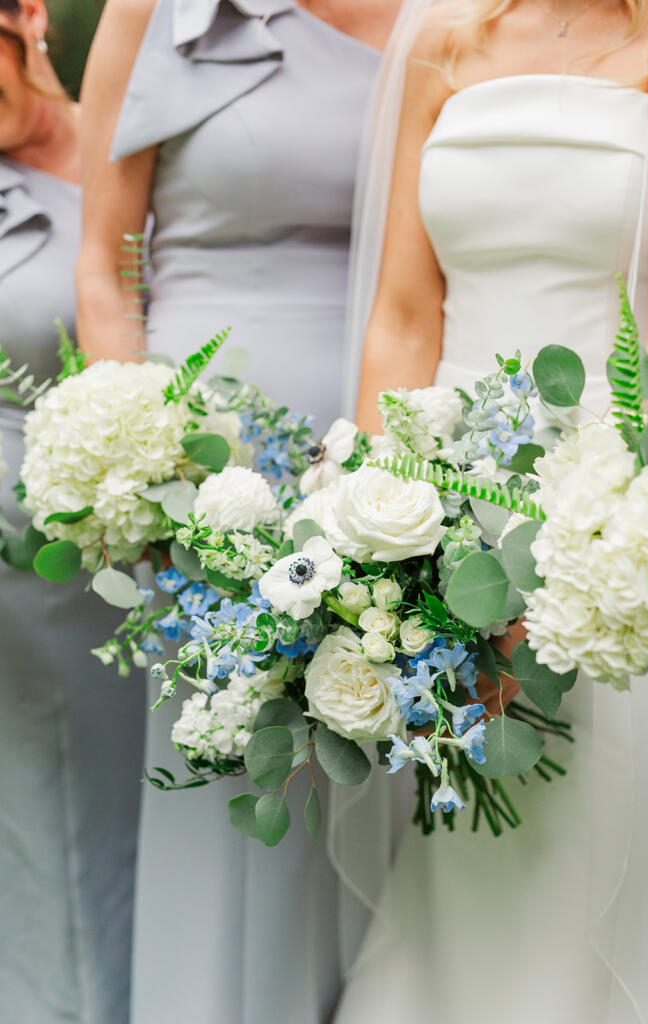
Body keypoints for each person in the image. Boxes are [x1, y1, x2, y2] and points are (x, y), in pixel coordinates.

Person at [335, 0, 648, 1021]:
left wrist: (582, 529)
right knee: (478, 841)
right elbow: (401, 319)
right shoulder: (438, 44)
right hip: (444, 514)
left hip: (615, 508)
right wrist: (374, 534)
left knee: (607, 827)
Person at [76, 2, 404, 1021]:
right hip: (205, 488)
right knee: (226, 797)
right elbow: (103, 259)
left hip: (389, 469)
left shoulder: (453, 16)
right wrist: (140, 461)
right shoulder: (151, 11)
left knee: (375, 772)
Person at [0, 2, 144, 1022]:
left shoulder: (145, 124)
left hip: (185, 539)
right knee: (63, 839)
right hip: (34, 572)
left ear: (30, 16)